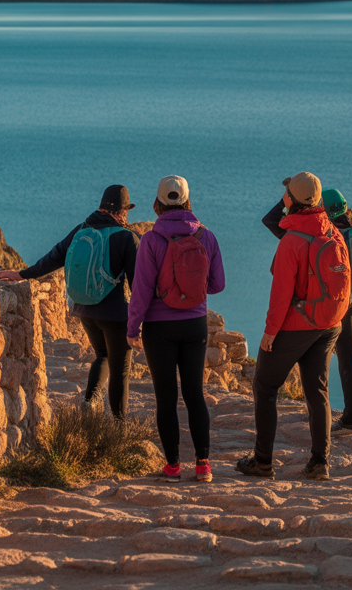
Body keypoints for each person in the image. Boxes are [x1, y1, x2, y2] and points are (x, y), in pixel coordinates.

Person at [238, 173, 351, 481]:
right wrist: (295, 198)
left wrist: (270, 331)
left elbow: (282, 292)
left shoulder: (292, 241)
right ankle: (319, 462)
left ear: (291, 200)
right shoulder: (331, 231)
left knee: (265, 386)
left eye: (286, 193)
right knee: (317, 389)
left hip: (296, 325)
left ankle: (262, 461)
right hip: (329, 323)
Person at [0, 185, 139, 419]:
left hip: (84, 309)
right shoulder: (126, 238)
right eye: (126, 210)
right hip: (115, 314)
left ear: (102, 206)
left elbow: (54, 257)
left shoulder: (81, 229)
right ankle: (119, 427)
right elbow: (137, 285)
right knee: (120, 368)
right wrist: (141, 318)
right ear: (122, 211)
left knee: (102, 355)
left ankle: (89, 402)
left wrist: (22, 274)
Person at [127, 175, 225, 483]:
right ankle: (203, 465)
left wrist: (132, 329)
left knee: (166, 397)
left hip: (159, 329)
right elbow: (218, 284)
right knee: (195, 393)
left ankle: (172, 467)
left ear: (157, 204)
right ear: (188, 202)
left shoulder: (151, 241)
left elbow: (141, 291)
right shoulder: (206, 237)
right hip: (195, 324)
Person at [262, 187, 352, 435]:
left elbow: (270, 220)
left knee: (333, 368)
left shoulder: (314, 232)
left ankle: (350, 421)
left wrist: (289, 194)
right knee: (350, 359)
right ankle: (350, 418)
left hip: (326, 304)